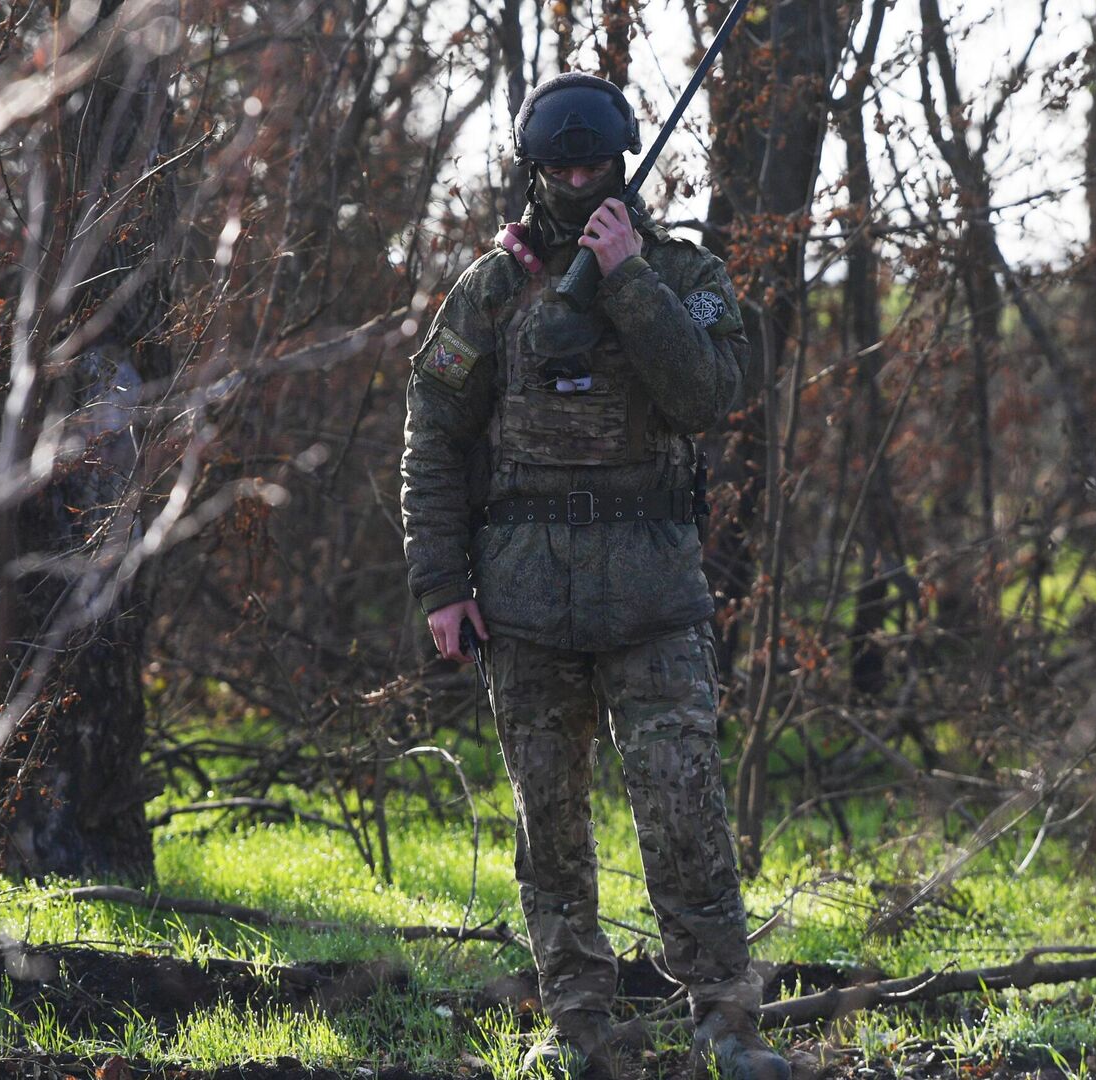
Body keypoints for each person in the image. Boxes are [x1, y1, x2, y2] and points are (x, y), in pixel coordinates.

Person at [398, 73, 789, 1080]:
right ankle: (578, 1025)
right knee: (550, 828)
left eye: (594, 165)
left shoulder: (684, 273)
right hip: (526, 600)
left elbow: (710, 394)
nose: (578, 181)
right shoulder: (492, 286)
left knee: (686, 809)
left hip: (655, 596)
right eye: (560, 167)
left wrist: (628, 280)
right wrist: (442, 582)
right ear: (534, 170)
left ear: (622, 166)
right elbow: (433, 433)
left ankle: (726, 1028)